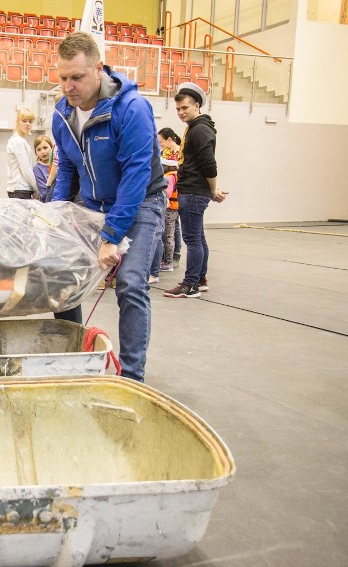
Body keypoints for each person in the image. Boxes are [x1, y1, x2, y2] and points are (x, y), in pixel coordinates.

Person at [50, 32, 167, 383]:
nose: (69, 87)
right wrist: (54, 214)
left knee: (131, 284)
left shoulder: (132, 109)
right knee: (61, 275)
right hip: (93, 204)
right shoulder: (61, 114)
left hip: (141, 200)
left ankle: (132, 378)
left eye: (77, 77)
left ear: (98, 69)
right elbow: (68, 170)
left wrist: (112, 236)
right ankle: (72, 359)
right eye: (63, 78)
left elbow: (136, 174)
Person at [164, 82, 228, 299]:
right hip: (192, 191)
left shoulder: (199, 129)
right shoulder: (195, 127)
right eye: (178, 109)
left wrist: (212, 190)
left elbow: (209, 164)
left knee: (192, 240)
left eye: (185, 108)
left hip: (192, 192)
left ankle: (190, 283)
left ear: (197, 105)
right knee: (198, 238)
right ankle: (199, 279)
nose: (181, 113)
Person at [157, 127, 181, 273]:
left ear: (169, 139)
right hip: (171, 199)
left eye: (161, 142)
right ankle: (168, 257)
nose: (160, 145)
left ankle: (172, 256)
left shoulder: (179, 152)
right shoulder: (164, 152)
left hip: (174, 198)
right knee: (170, 228)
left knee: (172, 229)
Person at [6, 107, 38, 199]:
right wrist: (37, 189)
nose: (28, 124)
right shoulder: (17, 141)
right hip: (20, 189)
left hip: (21, 189)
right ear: (17, 121)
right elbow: (26, 169)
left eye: (30, 121)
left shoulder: (21, 141)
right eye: (24, 121)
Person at [32, 134, 55, 202]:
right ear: (36, 153)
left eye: (45, 148)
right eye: (39, 150)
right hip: (48, 203)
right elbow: (44, 192)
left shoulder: (57, 165)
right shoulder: (37, 169)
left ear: (52, 147)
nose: (43, 152)